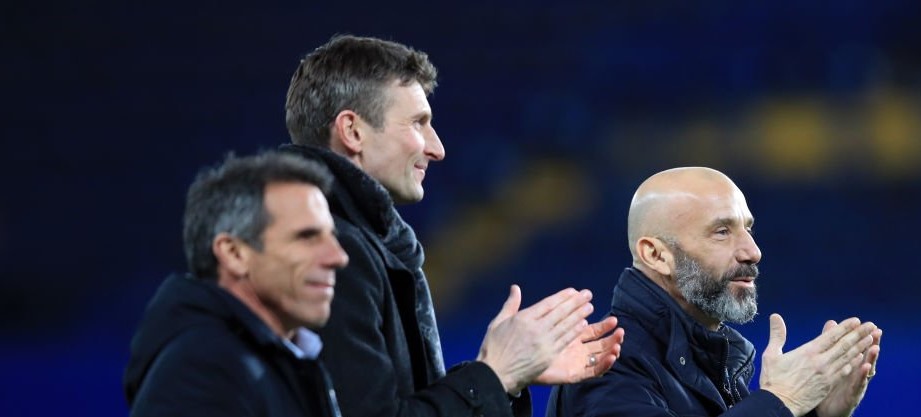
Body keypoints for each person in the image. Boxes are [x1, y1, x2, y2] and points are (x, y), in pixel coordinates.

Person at [281, 34, 626, 417]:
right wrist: (495, 375)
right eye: (418, 123)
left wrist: (504, 376)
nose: (437, 148)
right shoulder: (327, 251)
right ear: (353, 131)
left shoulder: (357, 239)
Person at [547, 167, 883, 417]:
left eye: (747, 228)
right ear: (656, 255)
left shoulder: (706, 355)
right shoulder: (608, 363)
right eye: (722, 232)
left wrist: (814, 415)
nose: (753, 251)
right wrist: (780, 401)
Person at [123, 152, 349, 417]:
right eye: (307, 236)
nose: (339, 257)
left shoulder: (277, 361)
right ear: (234, 254)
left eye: (330, 236)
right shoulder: (204, 370)